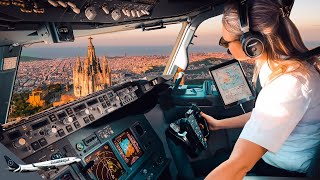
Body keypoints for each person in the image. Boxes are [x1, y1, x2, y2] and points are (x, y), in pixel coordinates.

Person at [201, 0, 320, 179]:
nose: (227, 49)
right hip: (273, 158)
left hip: (284, 171)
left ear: (251, 43)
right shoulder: (281, 66)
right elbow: (265, 115)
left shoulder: (289, 83)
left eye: (226, 42)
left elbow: (239, 166)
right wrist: (219, 124)